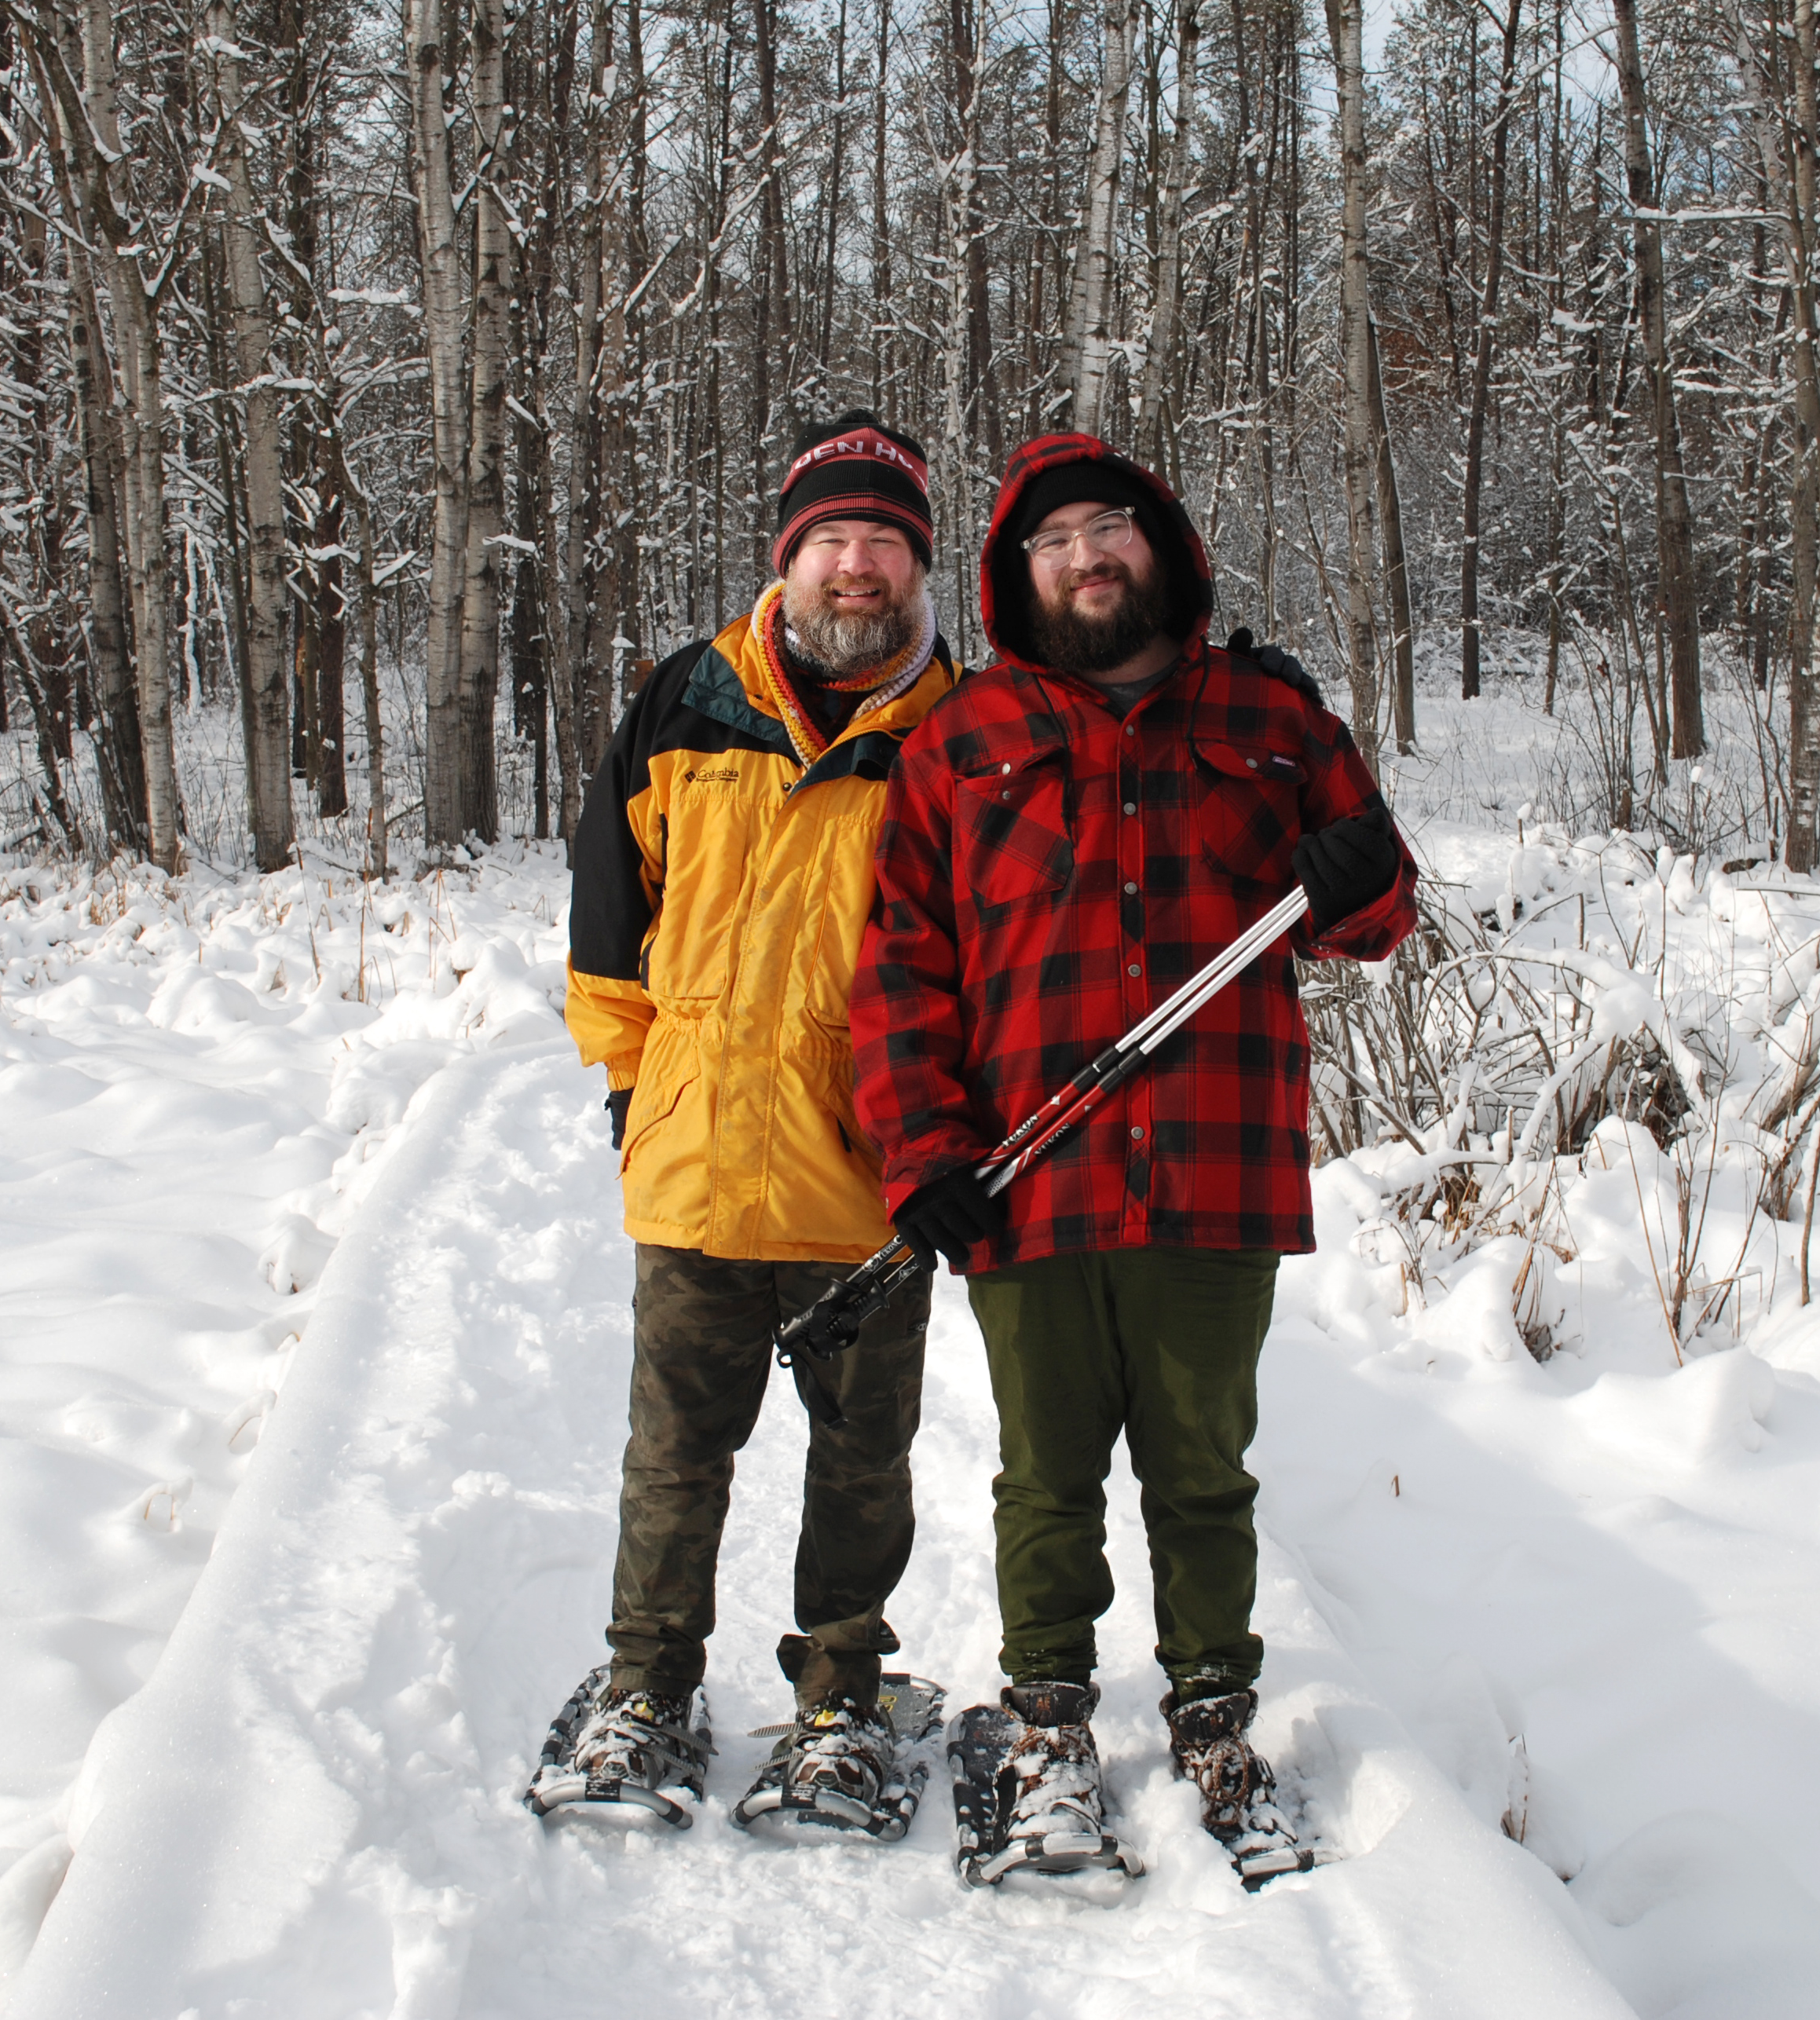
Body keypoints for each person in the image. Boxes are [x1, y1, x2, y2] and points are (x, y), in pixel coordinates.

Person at [850, 433, 1415, 1878]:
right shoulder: (958, 741)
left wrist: (1364, 876)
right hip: (1028, 1178)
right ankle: (1047, 1719)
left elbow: (1378, 910)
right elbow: (902, 970)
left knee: (1203, 1469)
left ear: (1156, 542)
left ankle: (1216, 1714)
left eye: (1108, 527)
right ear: (1015, 575)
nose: (1085, 556)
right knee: (1046, 1476)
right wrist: (925, 1160)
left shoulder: (1272, 714)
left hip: (1214, 1171)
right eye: (1052, 542)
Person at [548, 414, 959, 1834]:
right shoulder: (682, 701)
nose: (858, 570)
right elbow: (610, 926)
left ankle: (842, 1697)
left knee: (863, 1460)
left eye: (886, 546)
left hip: (872, 1184)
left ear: (921, 567)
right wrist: (629, 1089)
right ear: (788, 557)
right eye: (833, 542)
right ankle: (646, 1686)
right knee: (675, 1449)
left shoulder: (963, 737)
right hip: (699, 1165)